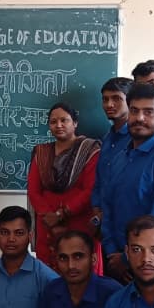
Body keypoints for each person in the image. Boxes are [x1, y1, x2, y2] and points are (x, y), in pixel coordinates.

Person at [96, 83, 154, 284]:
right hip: (115, 263)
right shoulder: (119, 157)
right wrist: (112, 253)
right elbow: (107, 207)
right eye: (134, 111)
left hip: (147, 265)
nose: (140, 118)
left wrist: (127, 258)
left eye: (148, 112)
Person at [26, 102, 101, 271]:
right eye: (53, 122)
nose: (58, 125)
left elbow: (90, 189)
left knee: (81, 270)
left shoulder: (89, 150)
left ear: (75, 123)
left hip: (79, 221)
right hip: (47, 224)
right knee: (49, 276)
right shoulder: (41, 152)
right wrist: (50, 219)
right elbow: (34, 190)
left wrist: (62, 214)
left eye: (64, 120)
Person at [89, 77, 132, 236]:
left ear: (131, 101)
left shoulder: (137, 139)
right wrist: (96, 208)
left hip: (128, 224)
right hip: (105, 225)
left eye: (116, 98)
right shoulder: (107, 139)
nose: (109, 104)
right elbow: (100, 180)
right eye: (105, 99)